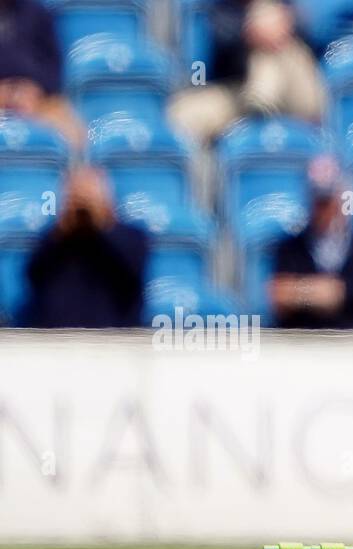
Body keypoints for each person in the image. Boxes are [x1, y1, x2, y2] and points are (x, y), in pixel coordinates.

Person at [168, 0, 326, 147]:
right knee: (182, 113)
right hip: (237, 94)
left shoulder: (289, 9)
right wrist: (249, 32)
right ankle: (259, 111)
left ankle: (262, 105)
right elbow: (204, 67)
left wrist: (284, 24)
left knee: (266, 23)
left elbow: (318, 38)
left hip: (293, 94)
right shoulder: (219, 10)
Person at [23, 166, 149, 328]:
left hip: (113, 339)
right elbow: (34, 275)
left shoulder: (133, 237)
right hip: (57, 339)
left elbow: (133, 271)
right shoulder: (55, 239)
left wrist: (101, 225)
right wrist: (63, 228)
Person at [269, 155, 353, 329]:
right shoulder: (290, 247)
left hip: (352, 343)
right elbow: (280, 296)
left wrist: (299, 292)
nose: (322, 209)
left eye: (327, 201)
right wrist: (319, 292)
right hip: (301, 342)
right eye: (318, 201)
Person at [0, 0, 84, 150]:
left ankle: (72, 171)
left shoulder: (36, 13)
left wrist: (33, 89)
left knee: (71, 129)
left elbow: (54, 68)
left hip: (36, 97)